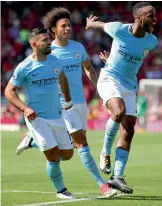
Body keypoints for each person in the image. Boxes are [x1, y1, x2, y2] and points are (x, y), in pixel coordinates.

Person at [16, 8, 117, 197]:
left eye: (69, 25)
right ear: (53, 30)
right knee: (82, 144)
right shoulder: (48, 51)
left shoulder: (78, 48)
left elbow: (88, 68)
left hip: (79, 103)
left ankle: (33, 140)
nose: (68, 28)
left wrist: (100, 88)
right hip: (63, 106)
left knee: (67, 154)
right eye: (63, 26)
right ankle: (103, 186)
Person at [85, 2, 158, 194]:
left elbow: (129, 59)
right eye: (151, 15)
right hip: (109, 78)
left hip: (129, 85)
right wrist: (89, 23)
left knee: (129, 130)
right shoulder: (118, 29)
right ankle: (105, 152)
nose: (155, 19)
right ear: (138, 17)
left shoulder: (152, 41)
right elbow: (98, 25)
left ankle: (117, 176)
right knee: (118, 112)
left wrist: (113, 58)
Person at [5, 27, 75, 199]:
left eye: (49, 39)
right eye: (45, 40)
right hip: (37, 118)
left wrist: (68, 100)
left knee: (67, 155)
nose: (49, 42)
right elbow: (9, 91)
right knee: (52, 156)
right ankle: (61, 191)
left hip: (57, 116)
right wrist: (25, 109)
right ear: (34, 44)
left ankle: (31, 140)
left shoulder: (55, 62)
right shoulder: (24, 67)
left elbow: (63, 79)